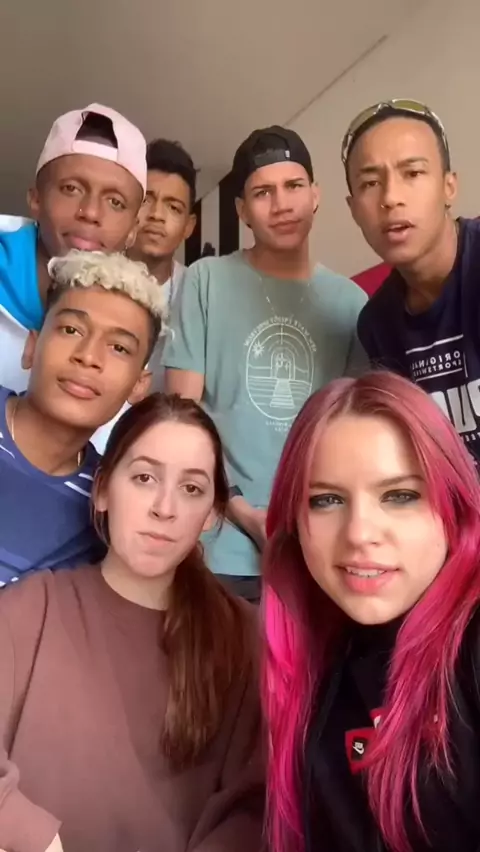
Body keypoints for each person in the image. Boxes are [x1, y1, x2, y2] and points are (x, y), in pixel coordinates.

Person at [0, 393, 263, 852]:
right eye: (144, 477)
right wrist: (35, 838)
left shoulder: (247, 637)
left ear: (211, 514)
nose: (165, 507)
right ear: (102, 490)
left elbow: (256, 807)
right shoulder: (30, 609)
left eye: (192, 489)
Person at [263, 370, 480, 852]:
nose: (360, 533)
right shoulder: (316, 655)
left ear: (455, 505)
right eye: (326, 500)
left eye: (400, 496)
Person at [163, 125, 367, 600]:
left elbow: (352, 436)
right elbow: (180, 420)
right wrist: (239, 509)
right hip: (218, 549)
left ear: (315, 195)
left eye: (294, 186)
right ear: (242, 210)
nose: (281, 205)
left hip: (317, 550)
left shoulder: (352, 304)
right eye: (262, 193)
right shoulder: (206, 281)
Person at [0, 250, 165, 585]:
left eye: (119, 348)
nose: (88, 356)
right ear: (31, 347)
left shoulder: (106, 507)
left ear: (139, 385)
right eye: (71, 330)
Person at [343, 98, 480, 466]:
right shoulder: (377, 323)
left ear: (449, 186)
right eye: (371, 183)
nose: (391, 198)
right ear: (353, 209)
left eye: (413, 173)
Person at [0, 102, 147, 394]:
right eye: (71, 189)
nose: (90, 212)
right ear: (36, 199)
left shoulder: (128, 329)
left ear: (133, 229)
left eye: (115, 202)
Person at [128, 138, 197, 392]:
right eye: (146, 200)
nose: (157, 215)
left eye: (174, 207)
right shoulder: (93, 277)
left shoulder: (197, 293)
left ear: (189, 226)